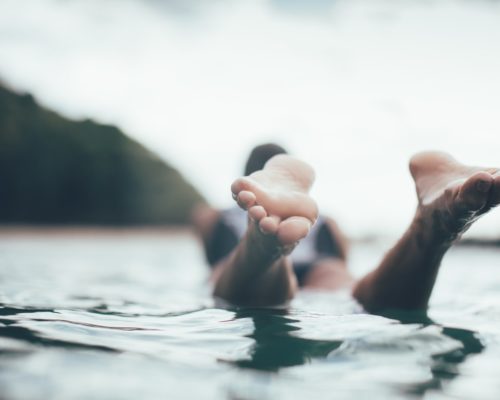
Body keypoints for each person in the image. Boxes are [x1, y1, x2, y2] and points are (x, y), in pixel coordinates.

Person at [192, 143, 500, 311]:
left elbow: (210, 257)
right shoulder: (326, 220)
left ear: (248, 176)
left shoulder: (214, 215)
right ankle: (431, 228)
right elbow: (341, 258)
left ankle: (261, 245)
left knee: (231, 276)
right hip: (321, 265)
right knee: (354, 296)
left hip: (244, 268)